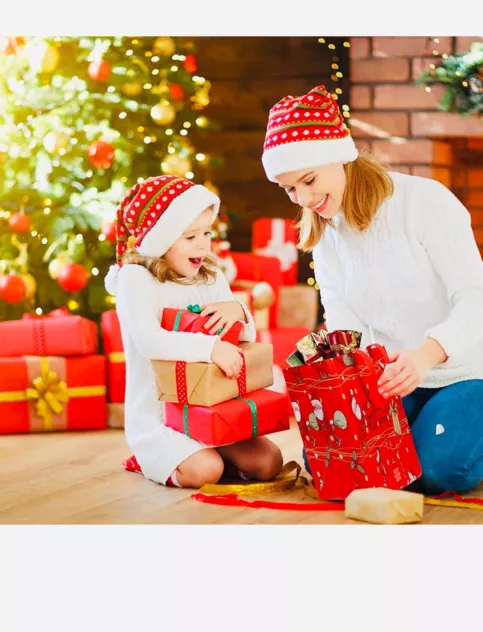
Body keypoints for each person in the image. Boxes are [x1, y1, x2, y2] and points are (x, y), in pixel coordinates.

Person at [261, 84, 483, 495]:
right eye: (290, 189)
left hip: (467, 371)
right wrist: (352, 385)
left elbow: (476, 299)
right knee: (325, 459)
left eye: (308, 180)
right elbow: (346, 322)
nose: (304, 199)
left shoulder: (425, 203)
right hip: (394, 377)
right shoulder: (325, 236)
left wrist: (425, 355)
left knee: (439, 469)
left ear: (340, 155)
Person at [104, 175, 283, 489]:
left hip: (213, 407)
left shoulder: (210, 275)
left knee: (270, 463)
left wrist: (238, 311)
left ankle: (210, 446)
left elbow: (244, 339)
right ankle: (150, 458)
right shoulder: (135, 279)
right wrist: (209, 348)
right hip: (161, 417)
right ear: (161, 239)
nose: (203, 244)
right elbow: (149, 341)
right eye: (190, 237)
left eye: (206, 232)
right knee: (206, 472)